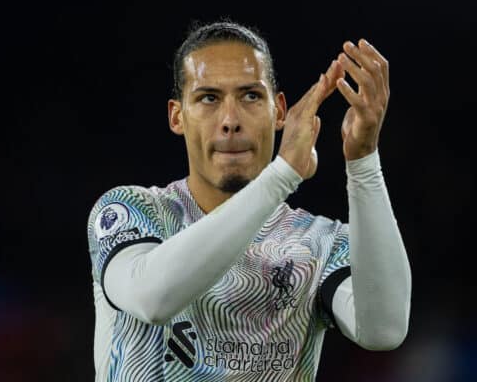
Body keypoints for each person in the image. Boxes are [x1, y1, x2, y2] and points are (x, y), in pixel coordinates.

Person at [87, 19, 411, 381]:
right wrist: (282, 174)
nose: (230, 120)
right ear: (177, 116)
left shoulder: (320, 244)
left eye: (250, 96)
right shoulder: (132, 211)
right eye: (208, 98)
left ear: (279, 112)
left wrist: (364, 161)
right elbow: (152, 300)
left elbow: (384, 330)